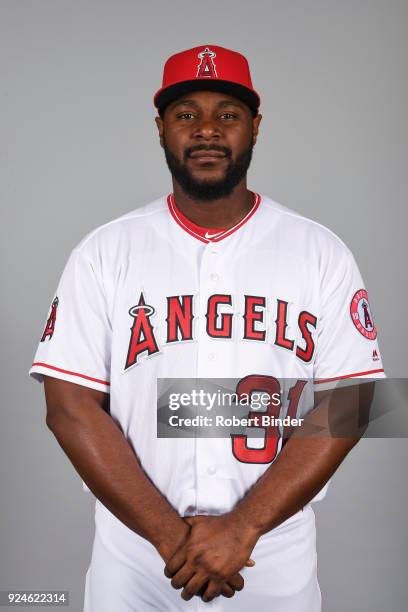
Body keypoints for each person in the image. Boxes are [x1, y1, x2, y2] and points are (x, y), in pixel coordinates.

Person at [29, 44, 386, 611]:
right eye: (186, 114)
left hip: (272, 555)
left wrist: (243, 527)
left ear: (255, 127)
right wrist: (175, 540)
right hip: (137, 561)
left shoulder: (319, 251)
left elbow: (354, 401)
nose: (207, 130)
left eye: (228, 114)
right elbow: (68, 406)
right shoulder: (105, 251)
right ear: (162, 129)